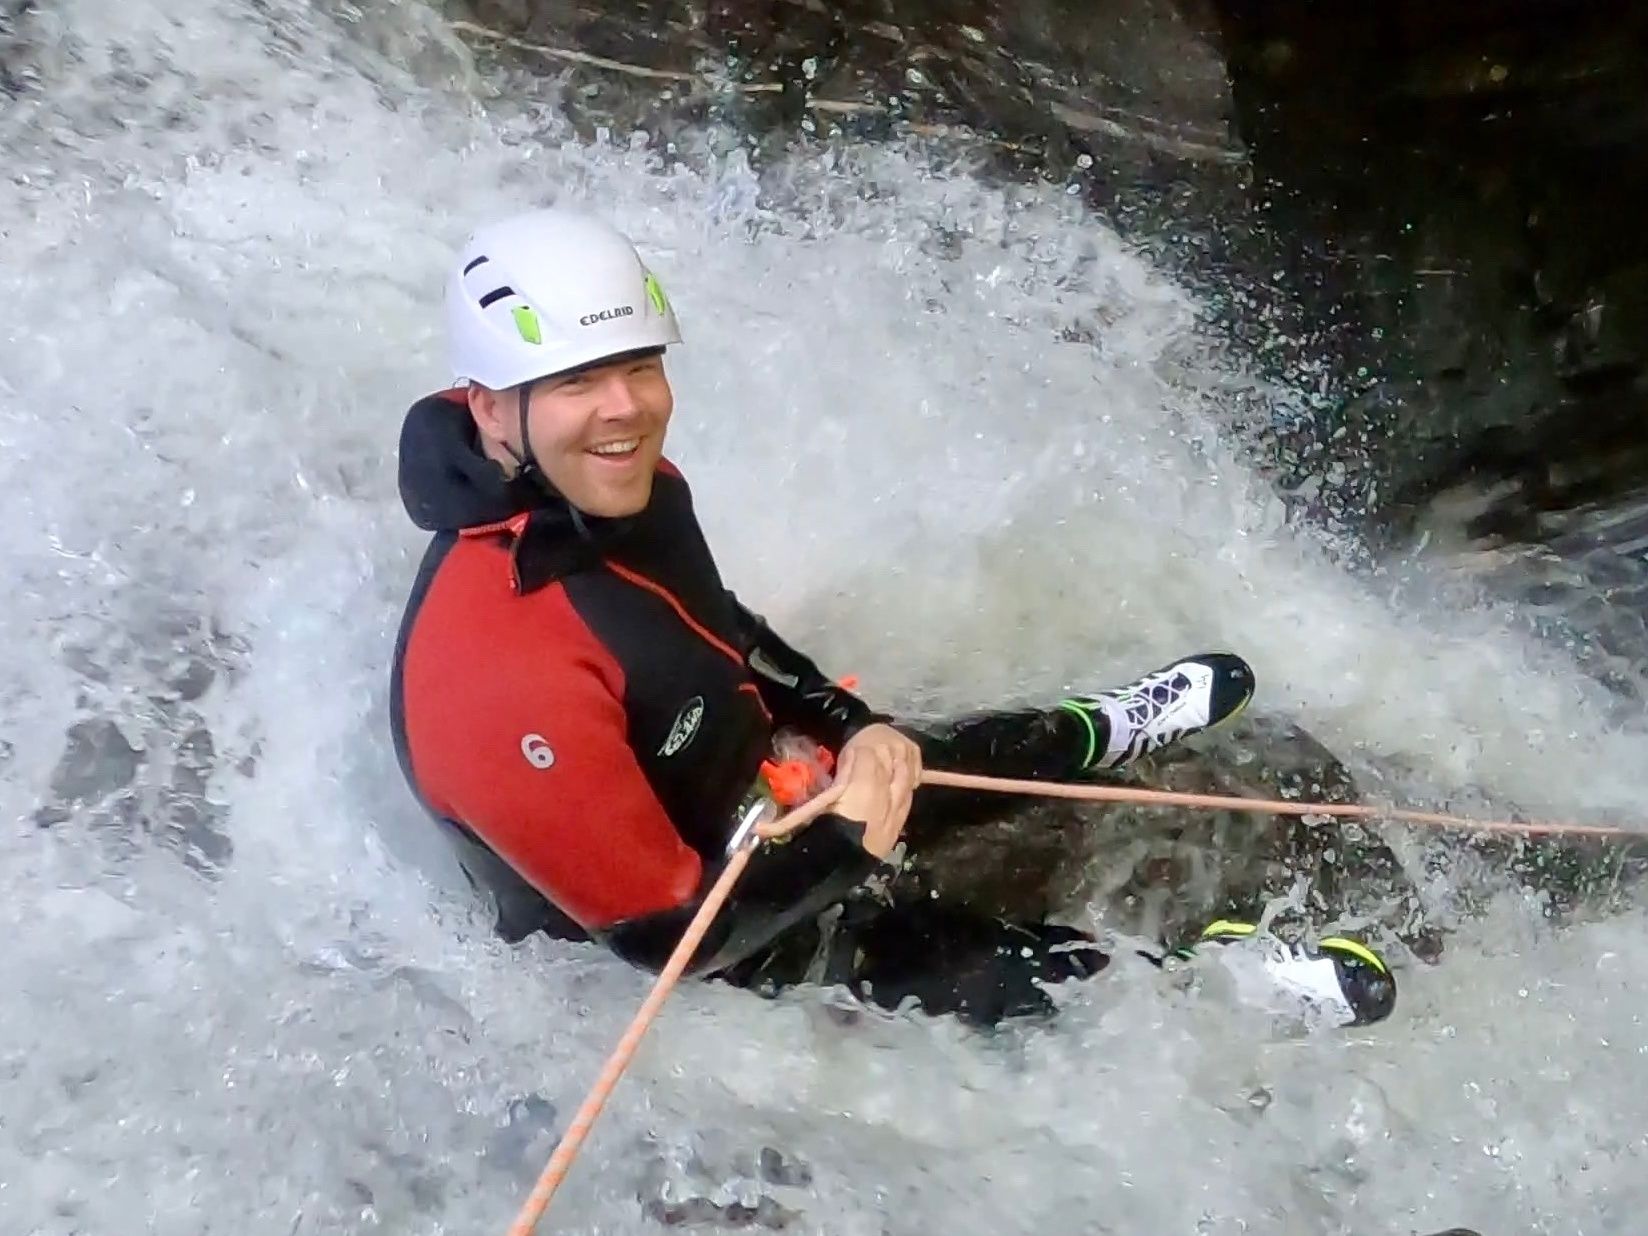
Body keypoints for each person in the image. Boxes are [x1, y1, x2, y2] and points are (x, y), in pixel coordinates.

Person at [389, 207, 1395, 1030]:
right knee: (974, 971)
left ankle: (1098, 729)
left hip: (747, 794)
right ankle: (1209, 987)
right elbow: (667, 940)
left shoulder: (623, 485)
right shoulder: (496, 678)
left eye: (640, 367)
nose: (626, 409)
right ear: (487, 408)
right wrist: (844, 848)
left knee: (919, 756)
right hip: (673, 940)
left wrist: (847, 725)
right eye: (576, 381)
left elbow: (718, 629)